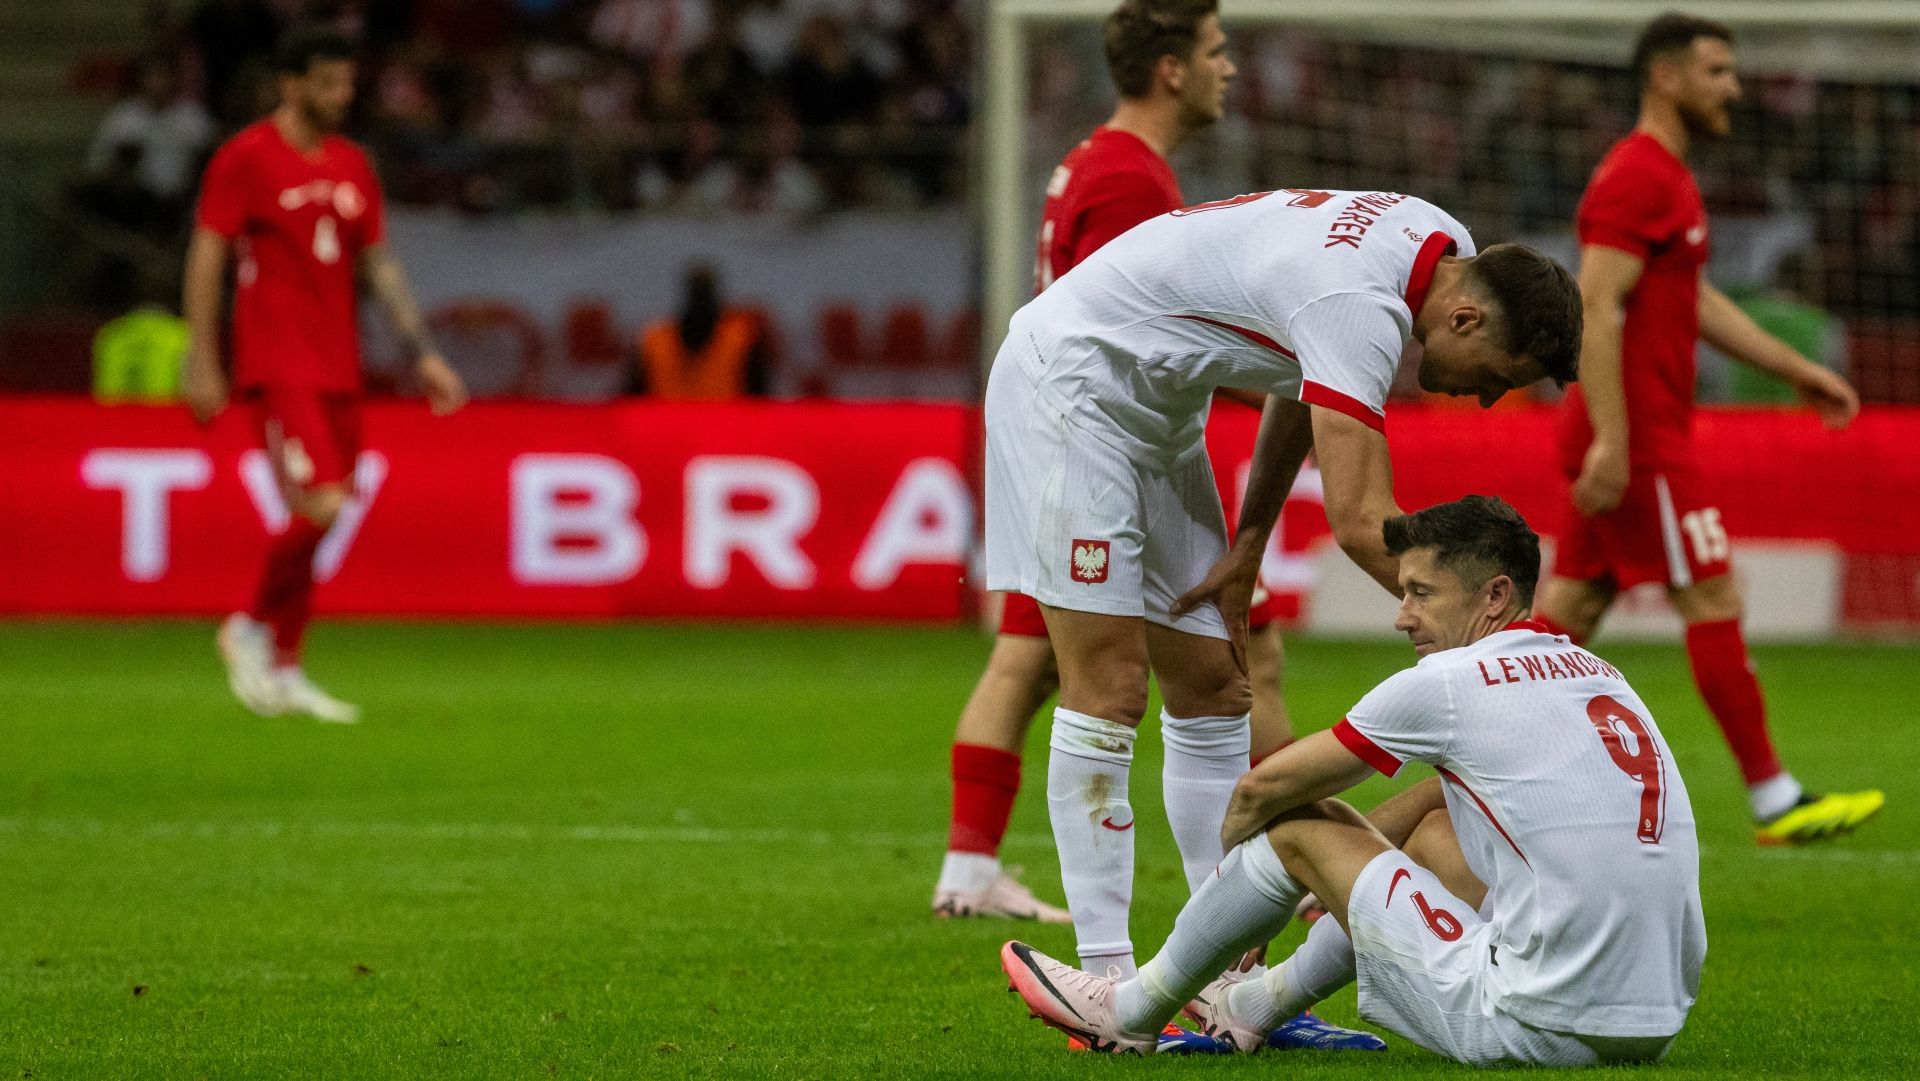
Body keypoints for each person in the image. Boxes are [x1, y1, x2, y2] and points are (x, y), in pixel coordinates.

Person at [984, 174, 1581, 991]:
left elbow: (1308, 373)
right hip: (1069, 391)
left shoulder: (1432, 239)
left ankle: (1217, 977)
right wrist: (1499, 656)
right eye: (1495, 376)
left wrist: (1251, 539)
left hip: (1154, 414)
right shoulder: (1361, 299)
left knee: (1214, 686)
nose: (1484, 399)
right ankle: (1108, 980)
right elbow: (1364, 520)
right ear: (1465, 317)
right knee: (1112, 685)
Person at [1003, 496, 1706, 1065]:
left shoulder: (1451, 682)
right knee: (1436, 834)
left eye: (1421, 593)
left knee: (1295, 825)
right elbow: (1445, 794)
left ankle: (1128, 1009)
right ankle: (1250, 1008)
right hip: (1653, 1021)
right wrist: (1336, 877)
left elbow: (1260, 792)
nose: (1403, 616)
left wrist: (1248, 896)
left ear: (1495, 594)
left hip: (1535, 1021)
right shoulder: (1595, 672)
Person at [937, 0, 1271, 927]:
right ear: (1171, 68)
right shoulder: (1130, 182)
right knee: (1227, 657)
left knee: (1034, 663)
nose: (1230, 68)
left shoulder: (1097, 160)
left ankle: (969, 867)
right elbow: (1136, 338)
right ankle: (1288, 870)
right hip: (1099, 454)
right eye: (1216, 51)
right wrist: (1288, 379)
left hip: (1084, 448)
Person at [1536, 13, 1882, 844]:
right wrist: (1617, 442)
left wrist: (1794, 367)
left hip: (1630, 431)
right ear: (1664, 75)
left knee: (1570, 613)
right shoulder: (1636, 178)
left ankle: (1467, 758)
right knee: (1712, 592)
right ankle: (1774, 797)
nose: (1733, 86)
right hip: (1640, 438)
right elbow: (1596, 304)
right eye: (1717, 70)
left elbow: (1692, 299)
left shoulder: (1668, 178)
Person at [184, 28, 468, 723]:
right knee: (323, 503)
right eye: (328, 83)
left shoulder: (352, 164)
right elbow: (208, 254)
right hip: (279, 363)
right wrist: (202, 354)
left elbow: (381, 264)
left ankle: (285, 666)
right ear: (290, 83)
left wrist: (421, 350)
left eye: (347, 83)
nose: (343, 96)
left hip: (341, 363)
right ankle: (247, 625)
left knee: (324, 512)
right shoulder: (245, 159)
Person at [632, 265, 772, 400]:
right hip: (670, 422)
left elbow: (759, 402)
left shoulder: (740, 339)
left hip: (721, 422)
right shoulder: (656, 340)